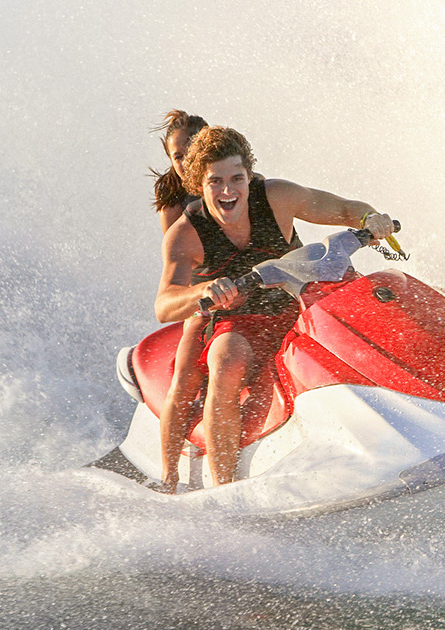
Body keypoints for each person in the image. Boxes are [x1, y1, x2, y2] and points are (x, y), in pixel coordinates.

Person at [155, 126, 395, 486]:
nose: (227, 191)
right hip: (238, 320)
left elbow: (346, 209)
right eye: (215, 181)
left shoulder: (277, 196)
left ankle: (405, 406)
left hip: (297, 300)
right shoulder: (186, 233)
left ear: (249, 176)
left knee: (370, 305)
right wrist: (204, 290)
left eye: (237, 178)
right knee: (225, 359)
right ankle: (224, 487)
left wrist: (369, 219)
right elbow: (164, 304)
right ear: (199, 184)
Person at [150, 110, 211, 494]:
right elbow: (178, 257)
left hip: (258, 280)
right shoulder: (172, 196)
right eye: (177, 155)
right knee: (187, 374)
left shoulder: (232, 179)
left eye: (193, 149)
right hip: (205, 287)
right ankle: (170, 476)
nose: (186, 159)